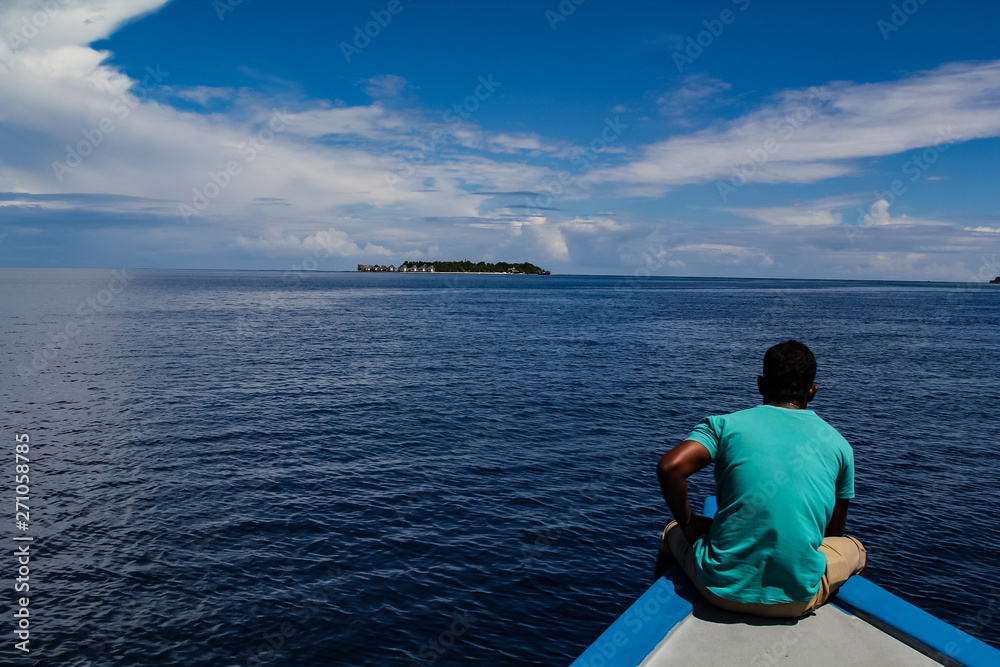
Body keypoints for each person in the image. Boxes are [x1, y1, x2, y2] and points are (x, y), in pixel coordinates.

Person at [654, 340, 866, 617]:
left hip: (718, 589)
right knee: (856, 549)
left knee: (672, 531)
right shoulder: (839, 445)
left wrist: (690, 524)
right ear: (813, 392)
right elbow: (832, 535)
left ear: (760, 384)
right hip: (798, 600)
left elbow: (670, 467)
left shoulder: (724, 425)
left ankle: (659, 612)